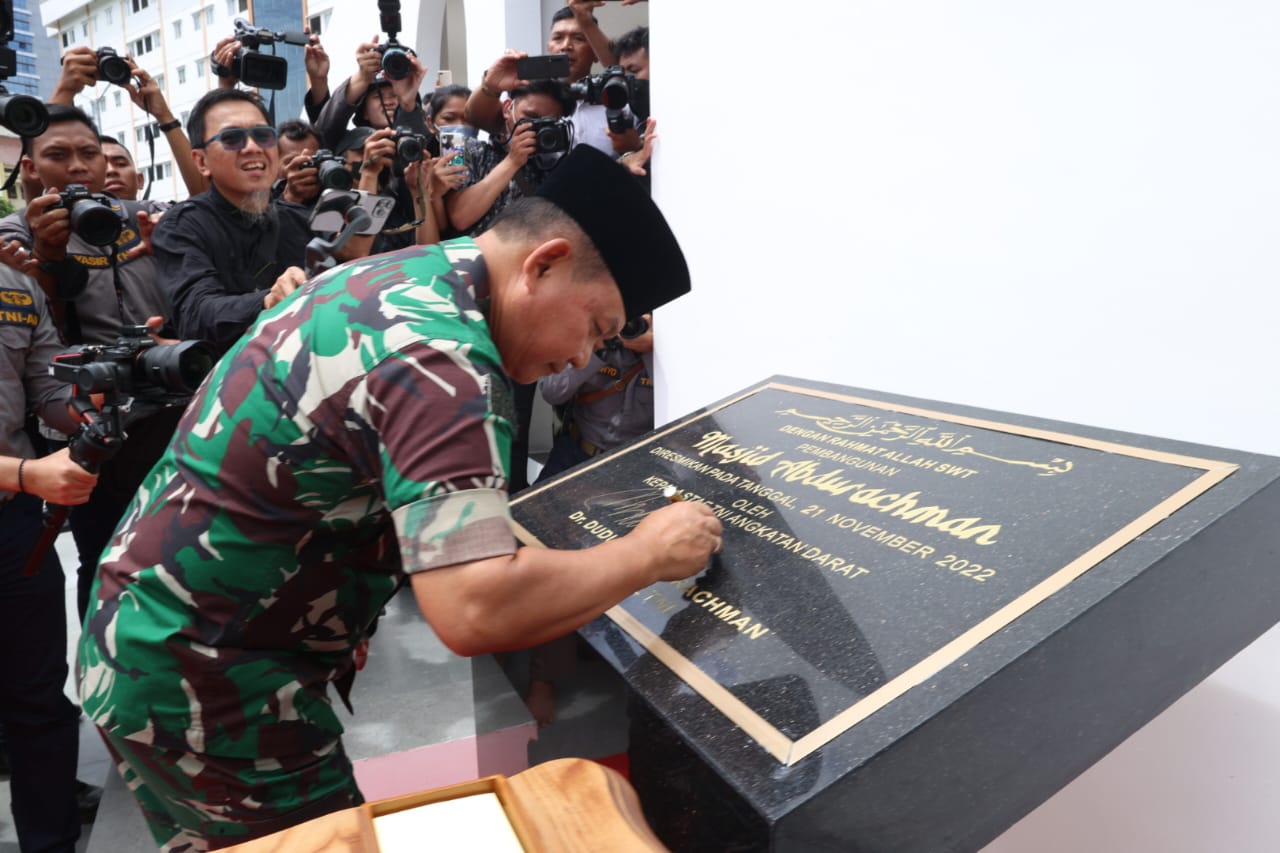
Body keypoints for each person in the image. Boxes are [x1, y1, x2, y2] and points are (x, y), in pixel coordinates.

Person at [79, 145, 720, 851]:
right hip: (211, 683)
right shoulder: (440, 356)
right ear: (544, 264)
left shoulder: (392, 276)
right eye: (597, 327)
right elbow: (476, 604)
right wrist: (648, 552)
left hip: (156, 637)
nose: (582, 359)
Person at [0, 264, 99, 853]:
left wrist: (98, 395)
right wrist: (26, 473)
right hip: (22, 484)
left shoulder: (14, 287)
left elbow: (48, 393)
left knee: (38, 699)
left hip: (12, 526)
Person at [152, 89, 365, 355]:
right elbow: (195, 315)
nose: (252, 147)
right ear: (201, 161)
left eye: (263, 135)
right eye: (232, 138)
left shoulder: (305, 221)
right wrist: (266, 301)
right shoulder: (181, 226)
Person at [465, 5, 632, 156]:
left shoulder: (616, 102)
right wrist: (490, 85)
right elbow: (475, 116)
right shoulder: (526, 96)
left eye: (578, 38)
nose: (566, 45)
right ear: (548, 47)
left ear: (596, 52)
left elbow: (621, 66)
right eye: (558, 38)